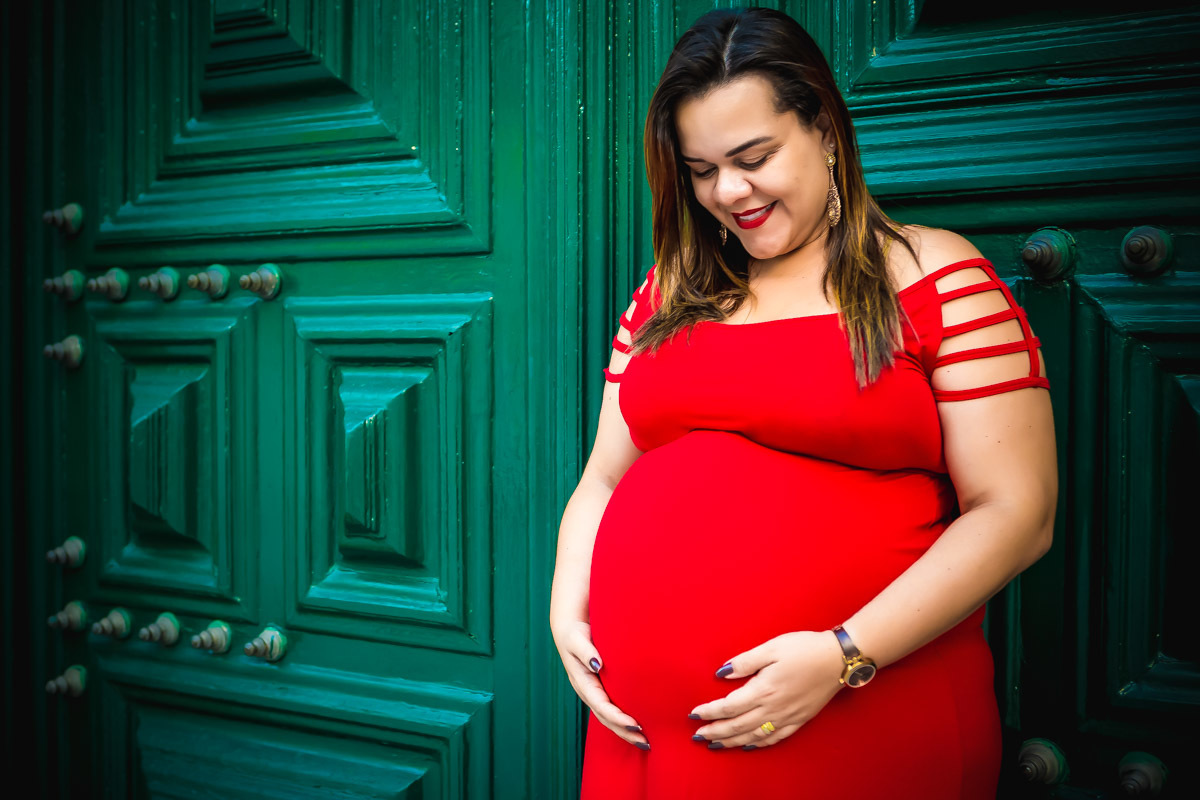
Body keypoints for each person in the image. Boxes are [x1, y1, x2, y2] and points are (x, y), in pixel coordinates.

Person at [549, 7, 1058, 798]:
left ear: (823, 127)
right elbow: (604, 480)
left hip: (859, 716)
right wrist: (567, 611)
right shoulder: (665, 296)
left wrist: (844, 654)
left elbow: (1017, 513)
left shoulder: (932, 276)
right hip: (643, 738)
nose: (728, 191)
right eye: (701, 169)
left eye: (754, 157)